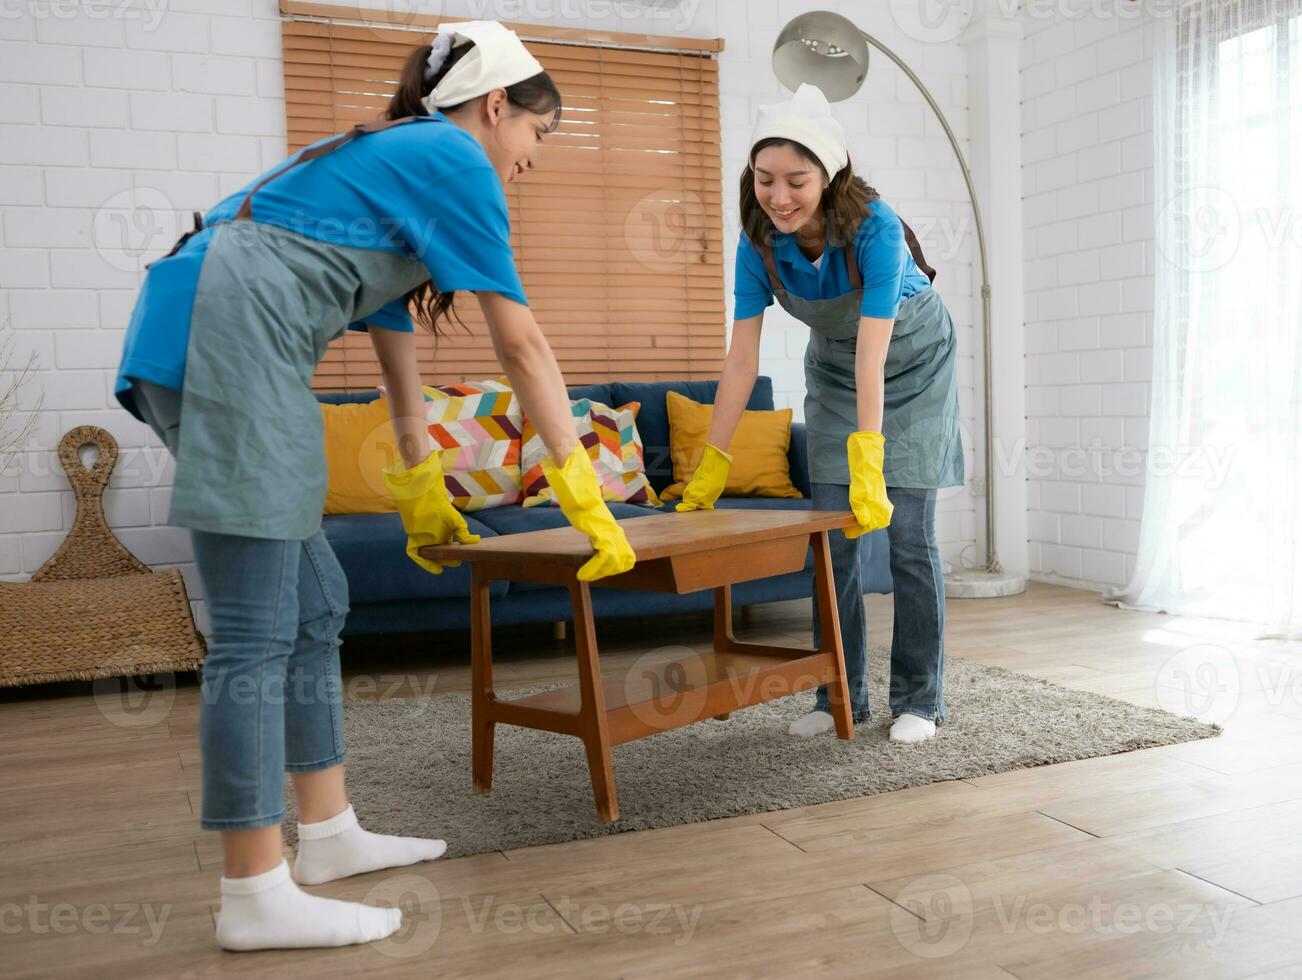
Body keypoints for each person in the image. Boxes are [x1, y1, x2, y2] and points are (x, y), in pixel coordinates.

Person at [113, 21, 634, 952]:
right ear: (495, 105)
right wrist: (584, 489)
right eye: (536, 138)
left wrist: (420, 480)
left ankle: (327, 836)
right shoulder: (450, 155)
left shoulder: (396, 165)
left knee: (315, 603)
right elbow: (524, 345)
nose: (528, 161)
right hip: (227, 337)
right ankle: (252, 891)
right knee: (253, 633)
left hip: (218, 330)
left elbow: (399, 370)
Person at [674, 84, 964, 745]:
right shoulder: (759, 244)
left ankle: (920, 700)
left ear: (828, 175)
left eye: (796, 181)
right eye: (765, 178)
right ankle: (838, 696)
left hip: (912, 365)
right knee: (832, 543)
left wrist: (870, 460)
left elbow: (876, 356)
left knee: (908, 536)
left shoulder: (875, 228)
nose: (778, 196)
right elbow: (739, 364)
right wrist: (710, 464)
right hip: (837, 368)